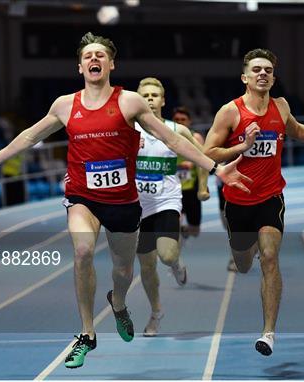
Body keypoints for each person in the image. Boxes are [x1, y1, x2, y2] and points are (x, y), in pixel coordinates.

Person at [0, 32, 250, 368]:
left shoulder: (130, 101)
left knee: (122, 270)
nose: (94, 59)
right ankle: (87, 334)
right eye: (88, 55)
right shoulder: (64, 105)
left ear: (111, 63)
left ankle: (118, 302)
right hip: (82, 196)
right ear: (80, 66)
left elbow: (172, 139)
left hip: (123, 201)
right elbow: (31, 135)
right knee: (83, 250)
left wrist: (215, 168)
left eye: (100, 55)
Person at [203, 48, 304, 356]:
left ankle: (268, 332)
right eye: (256, 70)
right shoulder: (230, 112)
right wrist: (244, 145)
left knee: (269, 257)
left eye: (267, 70)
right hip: (237, 200)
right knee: (243, 264)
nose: (263, 74)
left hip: (270, 197)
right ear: (245, 77)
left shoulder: (280, 106)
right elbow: (208, 152)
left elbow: (295, 130)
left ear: (274, 77)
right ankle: (244, 248)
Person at [134, 78, 209, 337]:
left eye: (156, 95)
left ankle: (176, 264)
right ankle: (156, 313)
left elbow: (203, 159)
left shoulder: (178, 130)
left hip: (167, 201)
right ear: (138, 99)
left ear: (163, 100)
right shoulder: (127, 130)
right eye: (146, 95)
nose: (151, 99)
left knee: (166, 255)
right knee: (146, 266)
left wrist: (202, 188)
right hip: (136, 207)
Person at [173, 106, 209, 238]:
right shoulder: (166, 136)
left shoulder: (196, 137)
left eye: (183, 119)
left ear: (189, 121)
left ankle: (185, 230)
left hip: (192, 188)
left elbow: (205, 160)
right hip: (173, 189)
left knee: (195, 231)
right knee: (174, 224)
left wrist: (203, 187)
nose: (180, 122)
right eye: (177, 119)